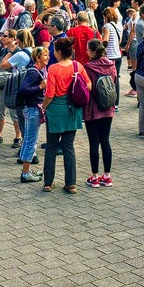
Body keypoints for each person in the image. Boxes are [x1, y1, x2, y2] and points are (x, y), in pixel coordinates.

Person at [41, 38, 89, 194]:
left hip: (55, 110)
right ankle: (71, 183)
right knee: (68, 147)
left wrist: (44, 107)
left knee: (51, 146)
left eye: (54, 50)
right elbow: (88, 85)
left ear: (59, 52)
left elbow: (50, 94)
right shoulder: (78, 66)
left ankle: (48, 183)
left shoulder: (53, 69)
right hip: (72, 110)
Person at [84, 39, 117, 187]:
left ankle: (94, 176)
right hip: (108, 108)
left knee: (93, 142)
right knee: (105, 140)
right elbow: (114, 81)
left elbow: (86, 88)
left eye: (88, 50)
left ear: (93, 52)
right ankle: (107, 175)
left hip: (92, 109)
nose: (86, 52)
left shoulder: (88, 67)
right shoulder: (112, 65)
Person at [17, 47, 49, 183]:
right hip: (32, 108)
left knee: (28, 140)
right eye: (45, 55)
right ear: (37, 58)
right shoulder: (34, 72)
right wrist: (41, 87)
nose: (47, 57)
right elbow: (23, 89)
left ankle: (27, 170)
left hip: (31, 108)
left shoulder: (36, 70)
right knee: (31, 140)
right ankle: (25, 173)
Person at [99, 8, 124, 106]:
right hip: (118, 55)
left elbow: (105, 41)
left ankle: (110, 101)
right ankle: (116, 102)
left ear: (106, 16)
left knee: (108, 81)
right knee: (116, 79)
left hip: (109, 56)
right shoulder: (118, 26)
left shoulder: (107, 26)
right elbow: (119, 41)